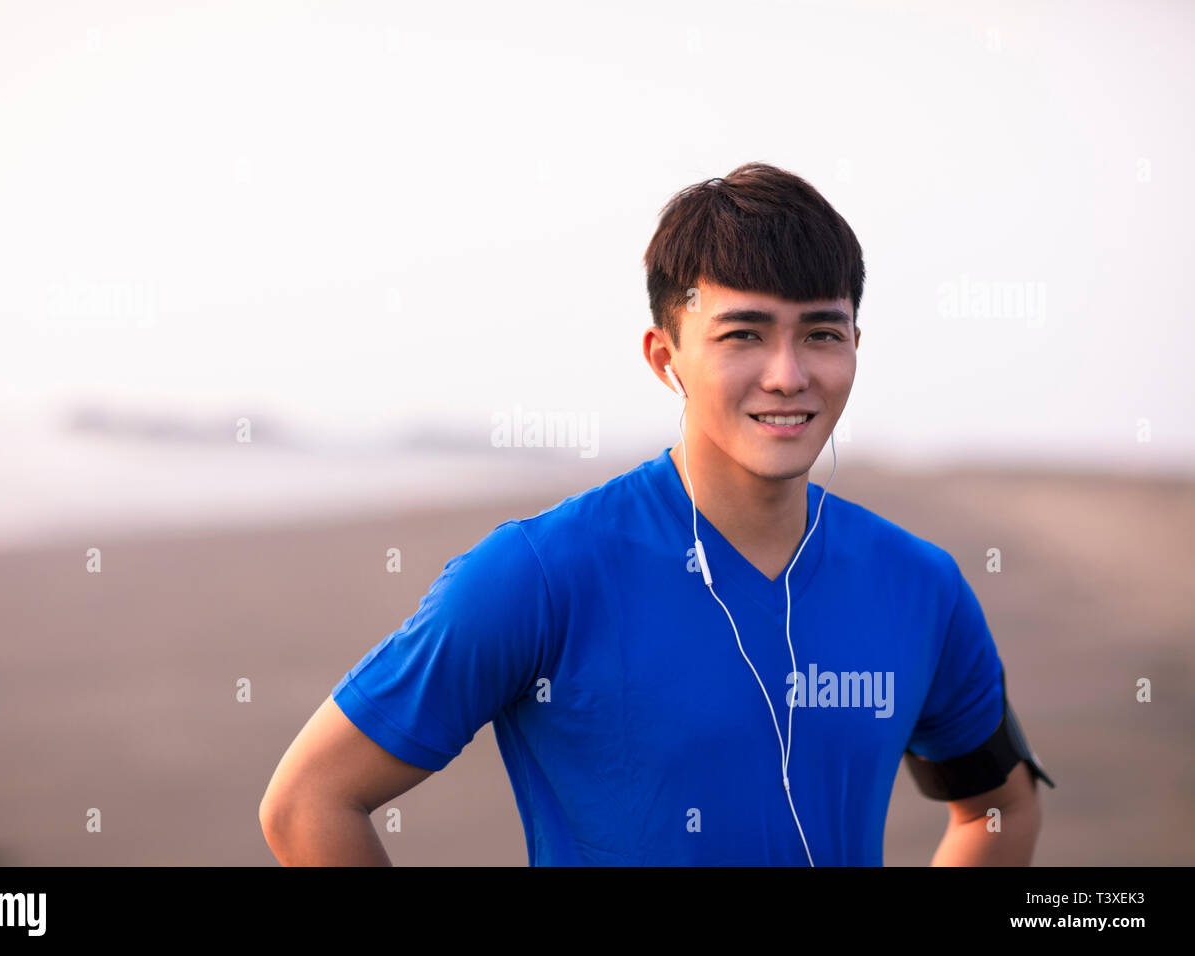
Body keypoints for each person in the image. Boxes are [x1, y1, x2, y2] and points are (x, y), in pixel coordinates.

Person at [258, 162, 1055, 866]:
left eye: (820, 332)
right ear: (664, 357)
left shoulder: (920, 587)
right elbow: (307, 803)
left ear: (854, 343)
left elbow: (1000, 808)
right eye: (743, 333)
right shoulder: (538, 577)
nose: (787, 374)